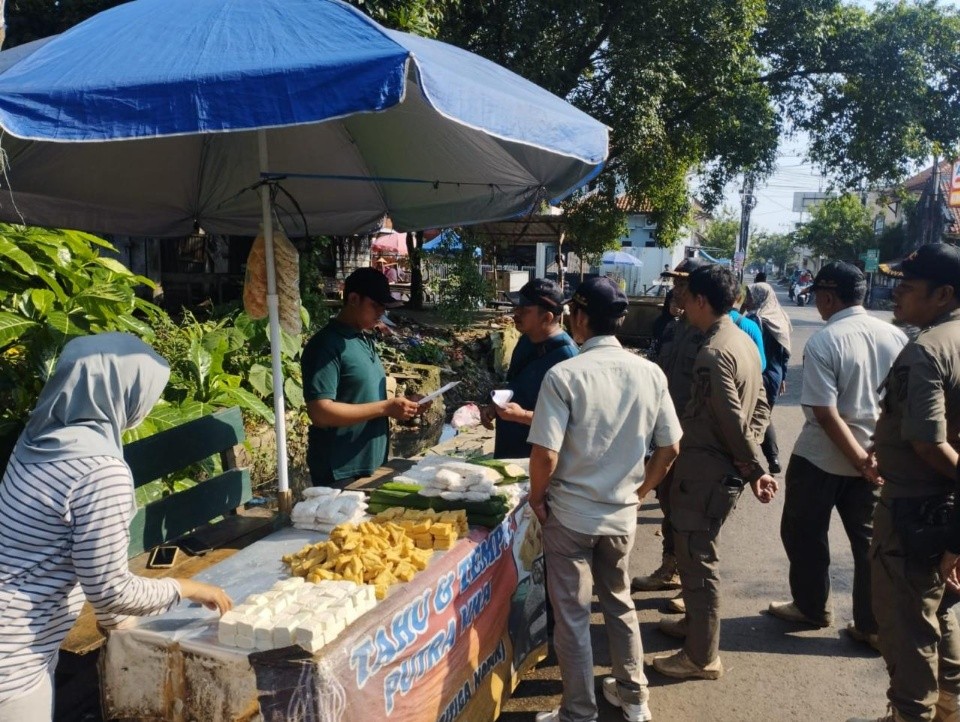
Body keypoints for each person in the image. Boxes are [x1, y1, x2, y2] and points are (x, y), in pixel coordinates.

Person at [0, 333, 232, 719]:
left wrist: (116, 622)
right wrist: (189, 587)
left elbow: (65, 549)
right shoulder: (99, 472)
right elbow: (110, 590)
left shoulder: (41, 438)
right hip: (14, 659)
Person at [528, 276, 682, 722]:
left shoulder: (564, 375)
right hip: (620, 517)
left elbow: (544, 455)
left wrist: (538, 500)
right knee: (619, 603)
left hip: (571, 517)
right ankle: (635, 699)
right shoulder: (649, 373)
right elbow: (670, 446)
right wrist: (641, 491)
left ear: (577, 318)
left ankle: (579, 711)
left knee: (574, 616)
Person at [767, 262, 906, 651]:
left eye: (819, 299)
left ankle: (812, 607)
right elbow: (899, 405)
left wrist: (859, 458)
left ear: (828, 297)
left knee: (804, 532)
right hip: (877, 457)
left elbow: (826, 414)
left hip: (821, 458)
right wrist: (871, 455)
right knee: (869, 544)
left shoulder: (826, 341)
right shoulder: (895, 337)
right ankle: (871, 624)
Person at [849, 244, 960, 722]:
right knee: (940, 609)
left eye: (908, 288)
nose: (895, 294)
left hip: (915, 507)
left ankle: (912, 712)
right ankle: (949, 704)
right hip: (944, 506)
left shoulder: (926, 350)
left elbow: (928, 442)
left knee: (905, 623)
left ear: (943, 294)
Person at [651, 264, 778, 681]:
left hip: (704, 471)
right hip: (715, 470)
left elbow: (731, 420)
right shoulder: (741, 340)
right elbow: (760, 405)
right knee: (693, 556)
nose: (682, 304)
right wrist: (750, 458)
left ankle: (702, 657)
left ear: (701, 301)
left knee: (699, 561)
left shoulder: (713, 353)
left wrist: (753, 465)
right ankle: (694, 630)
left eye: (687, 298)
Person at [301, 267, 426, 488]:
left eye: (383, 306)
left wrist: (405, 409)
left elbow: (364, 399)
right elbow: (320, 412)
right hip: (340, 469)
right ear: (353, 299)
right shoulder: (326, 345)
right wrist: (386, 408)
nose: (381, 312)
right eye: (375, 305)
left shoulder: (364, 339)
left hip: (372, 463)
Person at [632, 258, 709, 599]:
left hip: (696, 443)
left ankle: (691, 590)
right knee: (669, 506)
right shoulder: (674, 327)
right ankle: (671, 569)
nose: (675, 290)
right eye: (674, 283)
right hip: (666, 436)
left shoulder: (713, 332)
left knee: (694, 520)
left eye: (683, 284)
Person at [480, 279, 577, 459]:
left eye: (524, 310)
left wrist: (521, 416)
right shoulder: (526, 340)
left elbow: (571, 423)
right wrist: (495, 405)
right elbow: (516, 384)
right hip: (509, 451)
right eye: (516, 307)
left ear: (547, 317)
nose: (515, 313)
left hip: (539, 462)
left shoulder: (568, 358)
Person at [743, 281, 792, 472]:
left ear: (758, 297)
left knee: (752, 417)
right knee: (764, 415)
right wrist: (783, 378)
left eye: (750, 295)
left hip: (758, 375)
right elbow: (785, 353)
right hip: (776, 375)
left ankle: (750, 461)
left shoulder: (756, 320)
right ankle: (773, 459)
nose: (747, 299)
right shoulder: (781, 317)